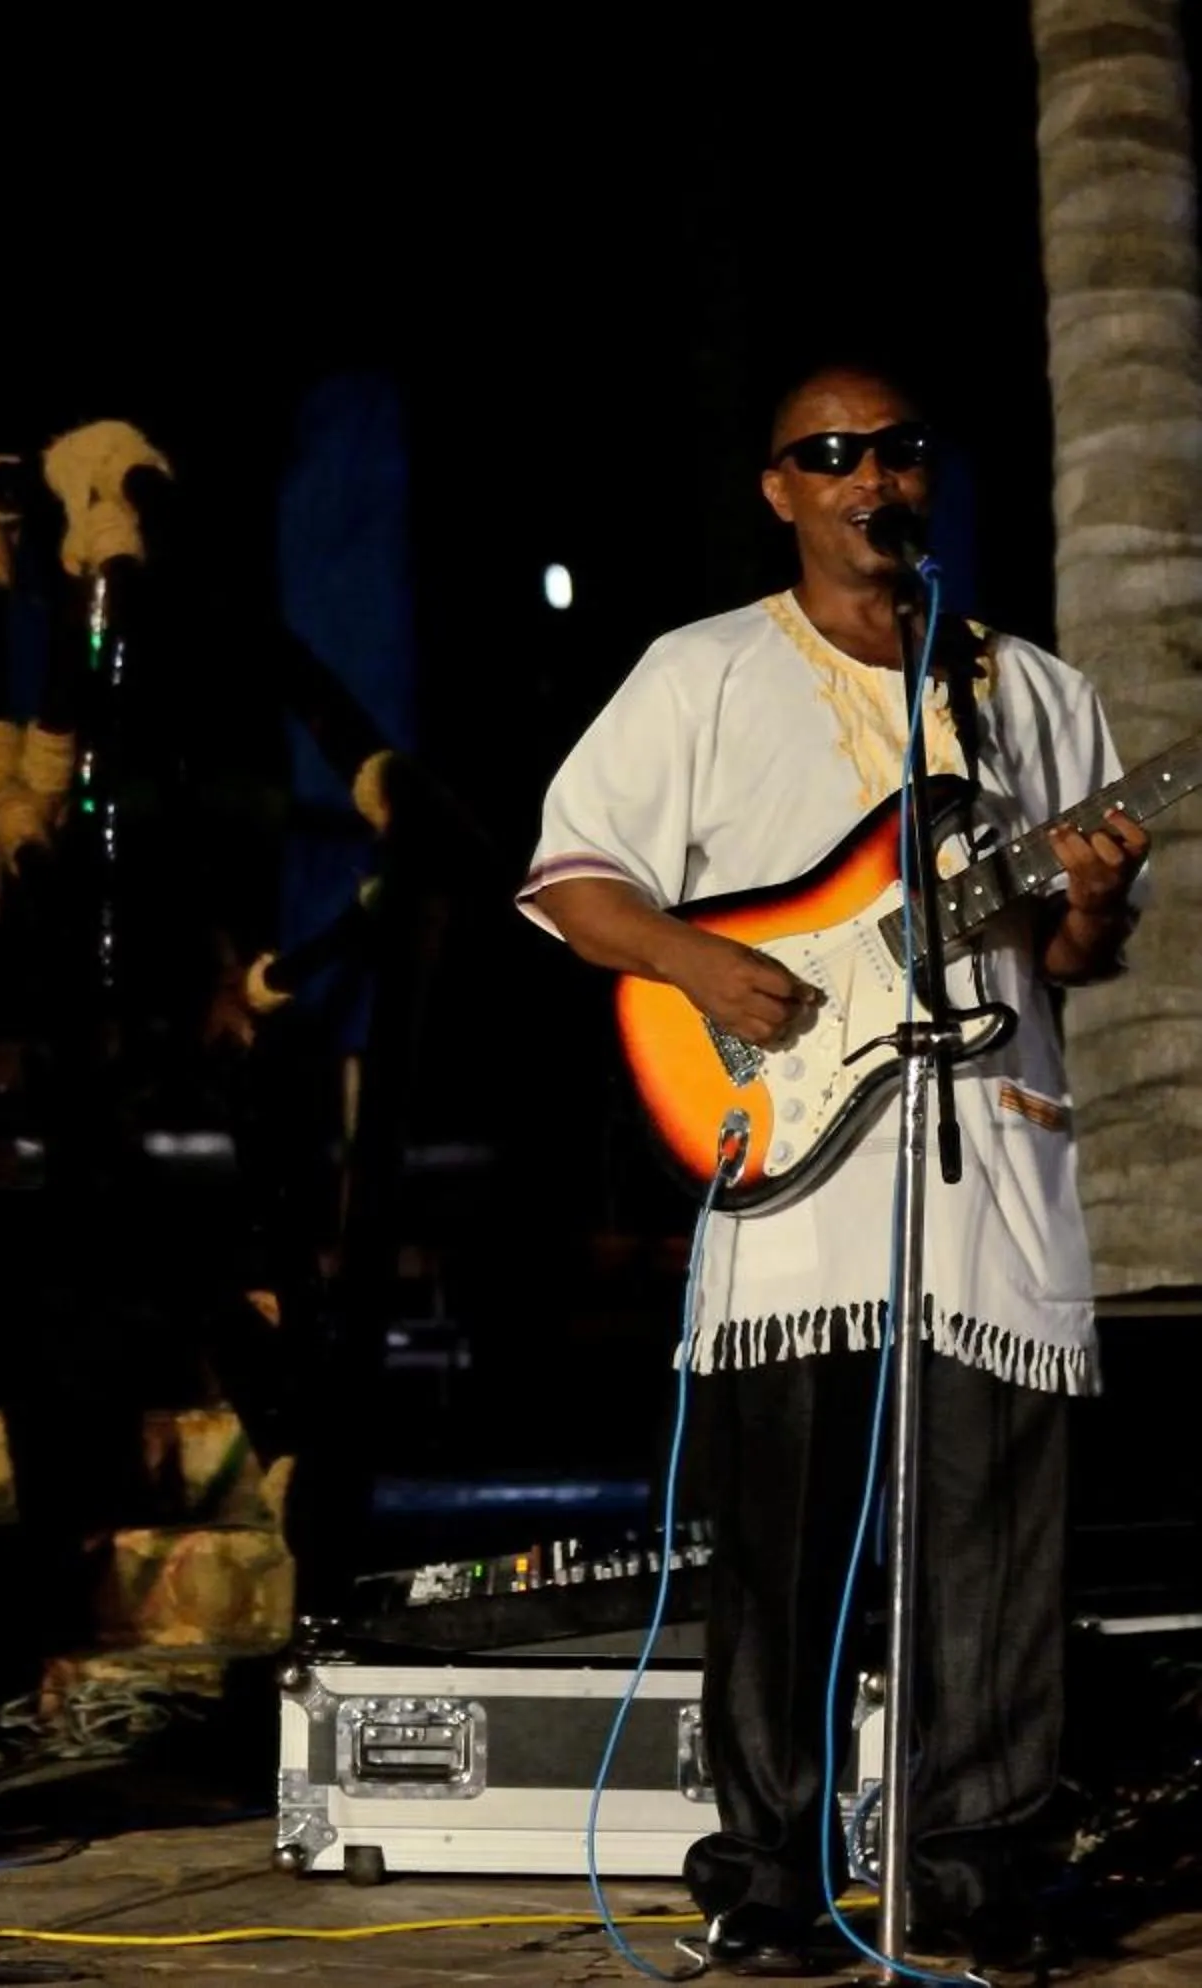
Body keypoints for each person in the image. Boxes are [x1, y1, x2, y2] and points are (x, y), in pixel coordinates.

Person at [521, 362, 1148, 1978]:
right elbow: (574, 876)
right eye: (833, 454)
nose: (873, 476)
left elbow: (1070, 954)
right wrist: (698, 963)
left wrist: (1088, 893)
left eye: (898, 452)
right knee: (784, 1549)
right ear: (782, 489)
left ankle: (974, 1876)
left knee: (996, 1551)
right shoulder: (704, 671)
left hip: (985, 1158)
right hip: (796, 1171)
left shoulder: (1031, 691)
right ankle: (774, 1880)